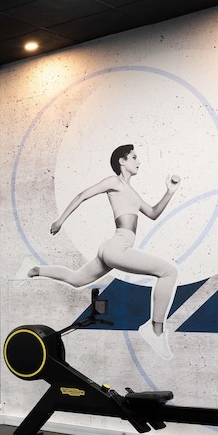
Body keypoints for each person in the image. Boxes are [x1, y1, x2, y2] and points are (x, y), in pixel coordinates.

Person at [26, 145, 180, 359]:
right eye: (134, 157)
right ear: (122, 161)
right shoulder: (114, 182)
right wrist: (60, 220)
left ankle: (36, 270)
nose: (138, 161)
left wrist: (170, 191)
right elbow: (82, 195)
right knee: (169, 272)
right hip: (117, 247)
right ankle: (155, 330)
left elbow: (153, 213)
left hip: (112, 247)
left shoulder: (132, 193)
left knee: (77, 279)